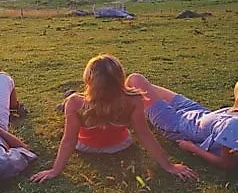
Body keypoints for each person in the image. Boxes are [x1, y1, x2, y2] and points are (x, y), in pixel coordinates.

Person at [30, 54, 197, 183]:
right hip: (120, 145)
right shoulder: (134, 99)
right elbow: (144, 135)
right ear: (120, 78)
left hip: (86, 147)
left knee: (71, 103)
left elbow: (69, 140)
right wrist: (169, 166)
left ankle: (68, 104)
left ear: (88, 79)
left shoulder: (75, 102)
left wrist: (54, 171)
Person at [126, 73, 238, 170]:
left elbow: (226, 164)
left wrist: (193, 148)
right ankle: (130, 107)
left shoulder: (235, 127)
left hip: (176, 124)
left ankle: (124, 114)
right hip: (198, 112)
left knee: (135, 80)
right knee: (148, 87)